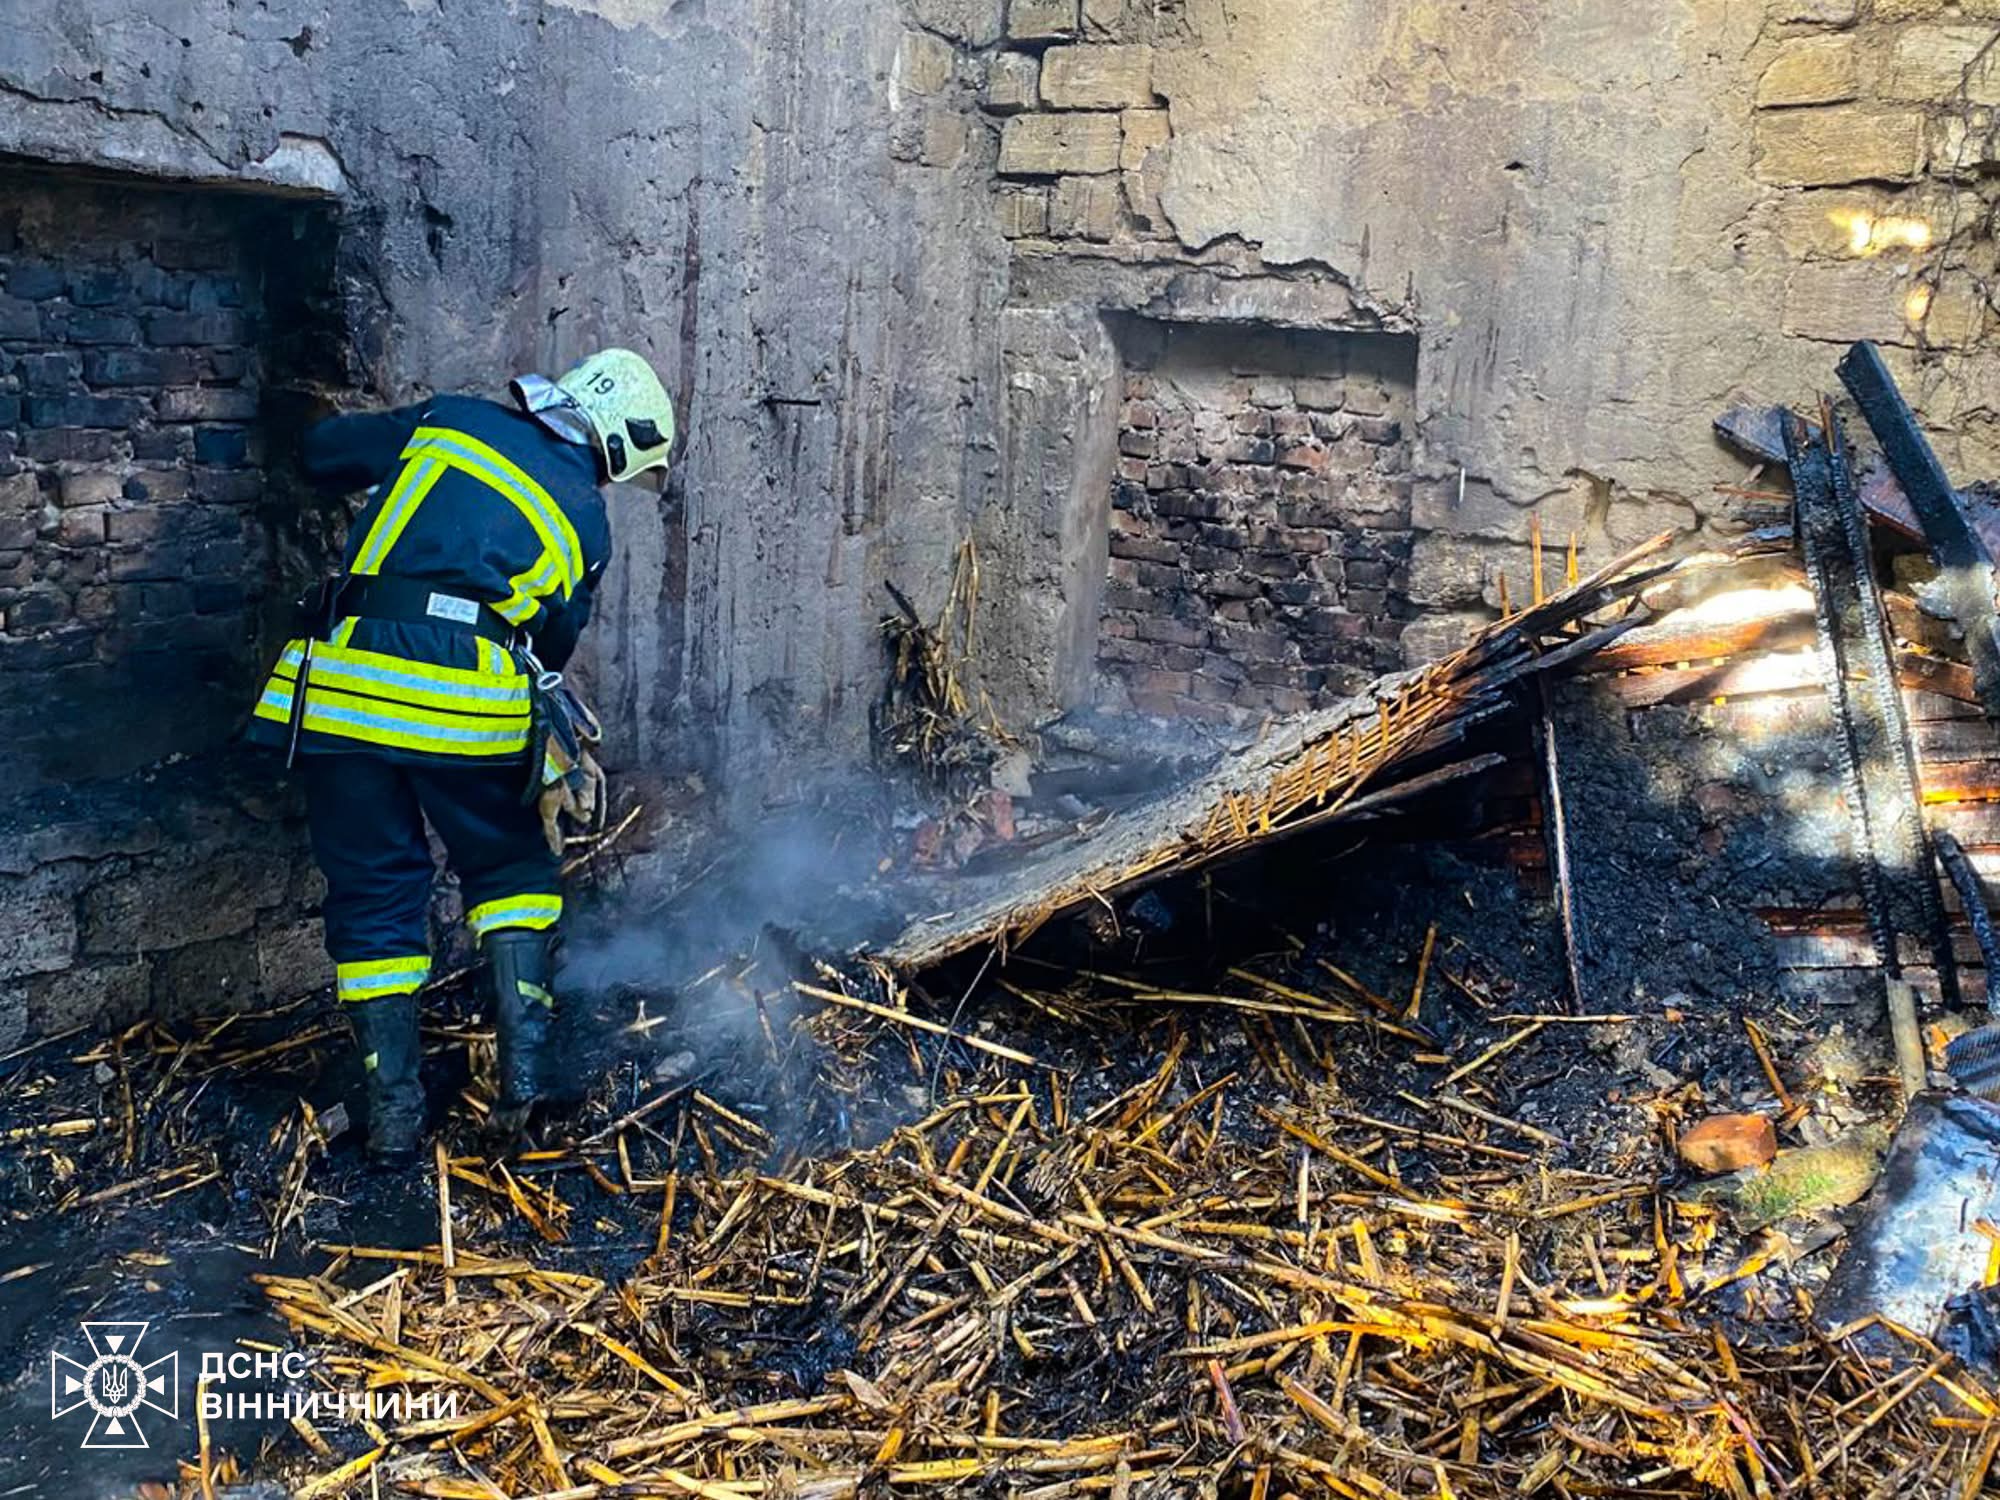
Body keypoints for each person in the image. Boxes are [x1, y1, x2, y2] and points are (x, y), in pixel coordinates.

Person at [246, 349, 676, 1161]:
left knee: (374, 894)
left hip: (345, 691)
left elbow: (324, 454)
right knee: (510, 872)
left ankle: (395, 1122)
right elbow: (548, 641)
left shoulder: (449, 421)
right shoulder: (586, 516)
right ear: (618, 447)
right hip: (464, 705)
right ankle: (523, 1091)